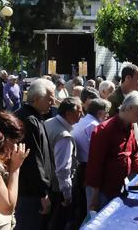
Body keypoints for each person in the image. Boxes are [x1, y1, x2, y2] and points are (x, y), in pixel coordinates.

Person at [86, 91, 138, 211]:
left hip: (120, 186)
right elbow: (95, 165)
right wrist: (94, 197)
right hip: (103, 191)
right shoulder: (104, 130)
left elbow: (134, 154)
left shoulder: (130, 127)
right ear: (130, 108)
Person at [14, 78, 56, 230]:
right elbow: (34, 161)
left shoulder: (31, 116)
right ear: (37, 98)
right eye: (50, 99)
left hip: (30, 191)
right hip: (31, 193)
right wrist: (43, 193)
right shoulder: (29, 120)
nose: (53, 103)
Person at [45, 97, 83, 229]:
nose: (82, 115)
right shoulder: (64, 136)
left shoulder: (49, 122)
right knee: (59, 223)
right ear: (68, 113)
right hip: (58, 189)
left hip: (48, 184)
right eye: (79, 112)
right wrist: (67, 195)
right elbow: (63, 169)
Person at [71, 98, 111, 215]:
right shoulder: (95, 126)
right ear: (99, 113)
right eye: (106, 112)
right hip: (89, 167)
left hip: (82, 166)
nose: (107, 115)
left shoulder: (82, 121)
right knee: (93, 207)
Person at [0, 112, 29, 230]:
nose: (15, 147)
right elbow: (7, 208)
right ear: (2, 139)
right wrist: (15, 168)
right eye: (13, 142)